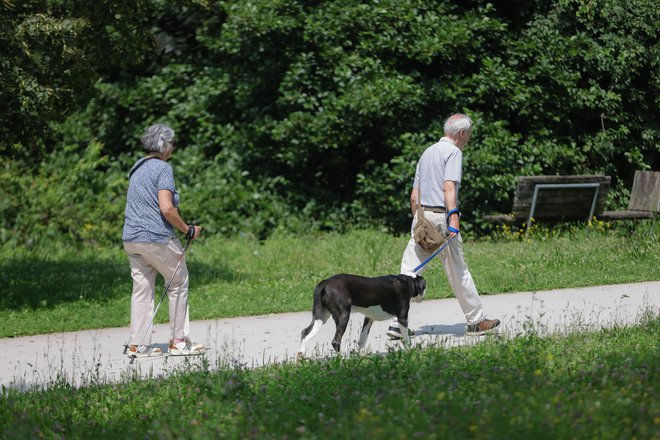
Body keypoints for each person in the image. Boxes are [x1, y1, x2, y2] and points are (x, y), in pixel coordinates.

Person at [388, 113, 501, 339]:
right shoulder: (453, 152)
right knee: (458, 270)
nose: (468, 139)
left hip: (421, 217)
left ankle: (396, 324)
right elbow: (449, 187)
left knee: (408, 270)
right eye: (468, 134)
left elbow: (413, 195)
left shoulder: (427, 152)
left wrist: (419, 220)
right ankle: (477, 321)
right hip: (442, 218)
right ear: (461, 133)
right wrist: (454, 217)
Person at [122, 123, 205, 357]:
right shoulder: (162, 168)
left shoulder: (136, 166)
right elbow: (167, 208)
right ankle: (179, 342)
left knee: (142, 290)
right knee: (178, 282)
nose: (173, 148)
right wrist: (187, 229)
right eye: (173, 144)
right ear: (163, 145)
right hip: (156, 237)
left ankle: (138, 345)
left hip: (131, 239)